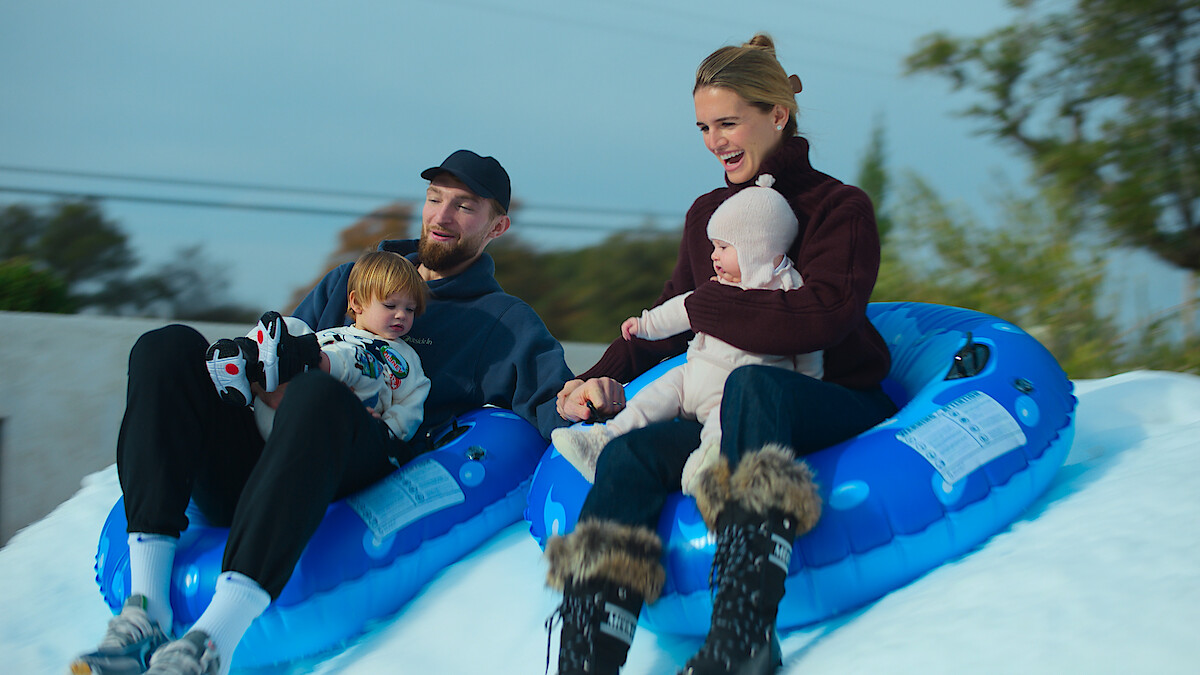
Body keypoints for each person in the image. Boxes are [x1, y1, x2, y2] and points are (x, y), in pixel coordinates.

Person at [71, 150, 574, 675]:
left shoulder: (503, 322)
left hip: (355, 466)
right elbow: (281, 349)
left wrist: (590, 403)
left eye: (465, 206)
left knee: (318, 397)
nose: (442, 217)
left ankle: (210, 643)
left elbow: (555, 402)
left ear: (498, 226)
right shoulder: (349, 280)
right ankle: (141, 617)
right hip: (267, 449)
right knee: (165, 347)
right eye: (434, 199)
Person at [544, 35, 898, 675]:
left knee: (753, 390)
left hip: (827, 398)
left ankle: (744, 639)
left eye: (728, 122)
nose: (715, 140)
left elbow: (823, 315)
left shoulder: (838, 208)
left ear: (778, 115)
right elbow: (664, 319)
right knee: (626, 455)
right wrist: (595, 380)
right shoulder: (707, 212)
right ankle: (586, 655)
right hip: (725, 414)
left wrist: (703, 305)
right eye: (705, 127)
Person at [549, 174, 823, 495]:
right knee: (656, 394)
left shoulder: (788, 289)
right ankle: (605, 439)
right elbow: (681, 307)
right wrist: (646, 324)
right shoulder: (719, 286)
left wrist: (808, 384)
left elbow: (808, 344)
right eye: (713, 246)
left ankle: (708, 466)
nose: (713, 256)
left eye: (723, 247)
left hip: (731, 393)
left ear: (755, 247)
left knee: (723, 426)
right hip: (692, 378)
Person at [205, 250, 431, 448]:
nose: (401, 315)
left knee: (358, 359)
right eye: (390, 306)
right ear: (357, 303)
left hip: (338, 417)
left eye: (410, 309)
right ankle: (245, 362)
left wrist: (384, 429)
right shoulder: (332, 334)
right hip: (275, 412)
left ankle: (305, 361)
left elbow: (410, 408)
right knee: (292, 326)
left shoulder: (404, 355)